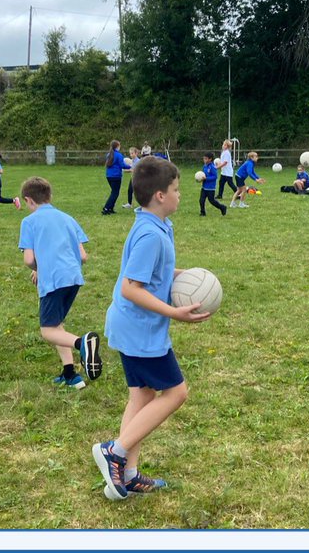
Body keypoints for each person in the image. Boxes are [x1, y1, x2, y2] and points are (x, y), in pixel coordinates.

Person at [93, 157, 210, 500]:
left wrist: (181, 275)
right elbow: (132, 287)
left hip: (133, 327)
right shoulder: (150, 235)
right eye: (176, 190)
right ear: (160, 195)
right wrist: (175, 312)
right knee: (176, 393)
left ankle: (127, 474)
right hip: (139, 330)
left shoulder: (154, 225)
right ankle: (114, 451)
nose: (179, 195)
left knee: (142, 395)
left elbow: (149, 273)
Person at [18, 175, 102, 390]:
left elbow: (28, 259)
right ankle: (70, 374)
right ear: (50, 196)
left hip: (53, 280)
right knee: (57, 325)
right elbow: (83, 256)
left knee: (48, 330)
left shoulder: (29, 221)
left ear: (28, 200)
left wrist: (39, 269)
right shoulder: (67, 218)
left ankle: (82, 343)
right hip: (74, 278)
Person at [102, 140, 126, 215]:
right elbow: (122, 165)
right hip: (116, 176)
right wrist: (131, 166)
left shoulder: (109, 154)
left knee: (114, 192)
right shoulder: (119, 155)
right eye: (119, 145)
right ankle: (106, 208)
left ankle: (110, 208)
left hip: (109, 176)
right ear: (117, 146)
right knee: (115, 193)